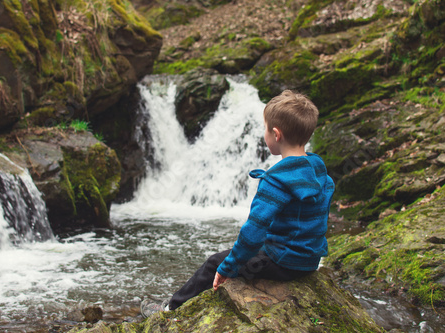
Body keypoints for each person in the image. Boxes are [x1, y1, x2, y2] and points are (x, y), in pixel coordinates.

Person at [141, 90, 335, 318]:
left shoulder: (276, 181)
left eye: (265, 129)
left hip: (284, 262)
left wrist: (228, 267)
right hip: (310, 261)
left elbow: (252, 233)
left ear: (276, 134)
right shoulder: (317, 169)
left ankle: (169, 309)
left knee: (214, 262)